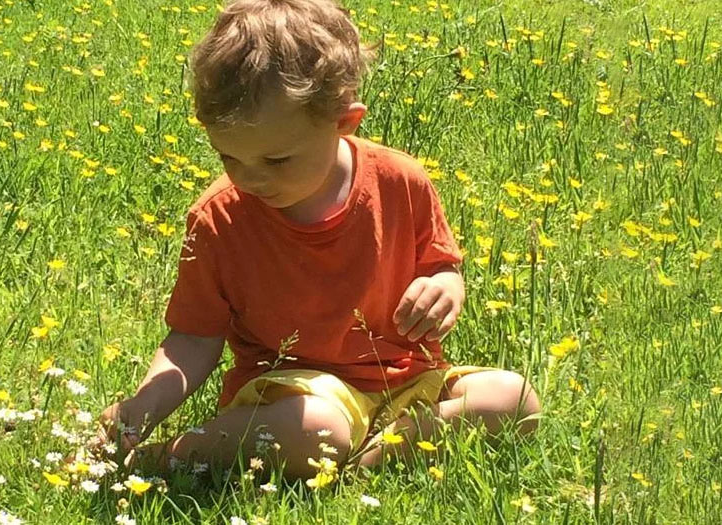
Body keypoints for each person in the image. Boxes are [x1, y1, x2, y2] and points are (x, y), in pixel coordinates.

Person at [94, 0, 541, 481]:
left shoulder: (399, 181)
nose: (250, 179)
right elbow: (193, 339)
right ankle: (169, 455)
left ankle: (371, 458)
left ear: (344, 121)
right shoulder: (219, 218)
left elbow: (441, 264)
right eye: (229, 158)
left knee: (514, 400)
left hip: (407, 383)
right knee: (319, 428)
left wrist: (446, 287)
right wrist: (135, 413)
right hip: (299, 397)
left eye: (277, 160)